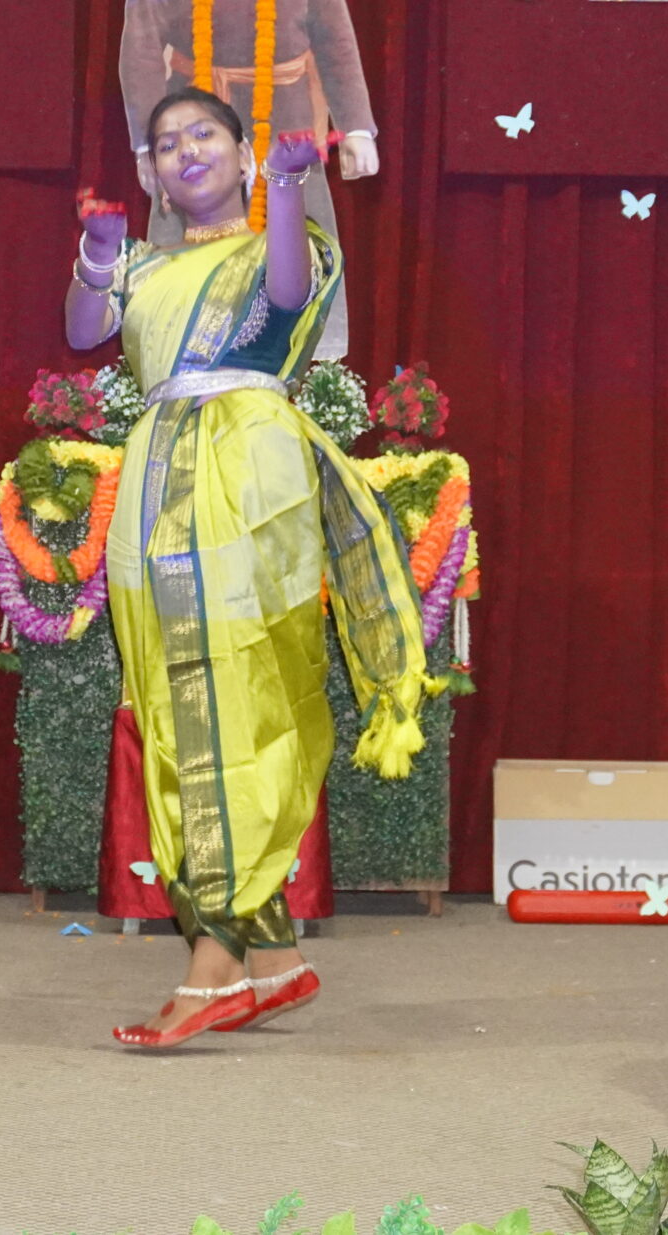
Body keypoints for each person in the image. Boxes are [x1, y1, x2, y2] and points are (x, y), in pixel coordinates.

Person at [68, 87, 431, 1048]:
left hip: (245, 480)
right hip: (158, 485)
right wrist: (99, 253)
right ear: (152, 176)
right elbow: (82, 327)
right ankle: (274, 960)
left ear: (241, 157)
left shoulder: (288, 244)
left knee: (233, 701)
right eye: (166, 143)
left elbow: (284, 295)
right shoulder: (146, 265)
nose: (185, 150)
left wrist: (292, 186)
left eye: (205, 135)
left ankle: (211, 967)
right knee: (177, 704)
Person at [119, 0, 384, 359]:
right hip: (191, 119)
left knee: (298, 232)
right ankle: (175, 356)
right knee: (185, 237)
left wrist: (357, 130)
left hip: (283, 118)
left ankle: (311, 370)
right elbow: (139, 44)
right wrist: (145, 143)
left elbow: (336, 40)